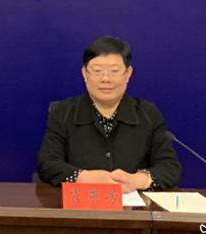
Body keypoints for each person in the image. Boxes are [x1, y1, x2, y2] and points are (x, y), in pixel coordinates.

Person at [37, 35, 181, 192]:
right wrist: (83, 177)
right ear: (85, 73)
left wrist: (136, 180)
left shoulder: (148, 114)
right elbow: (47, 164)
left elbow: (170, 167)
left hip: (132, 203)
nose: (105, 79)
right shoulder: (63, 112)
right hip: (79, 202)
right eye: (97, 71)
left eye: (114, 71)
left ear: (128, 74)